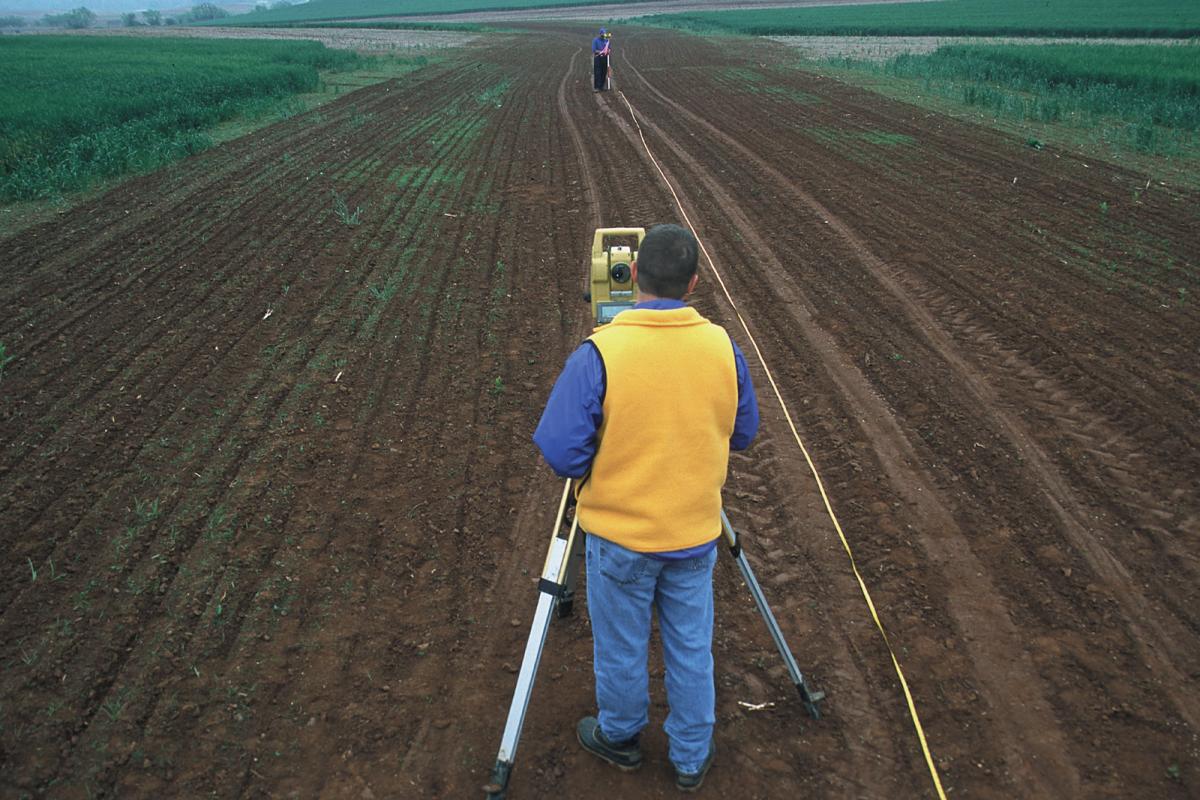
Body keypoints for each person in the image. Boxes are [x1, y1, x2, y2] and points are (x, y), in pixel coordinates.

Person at [533, 224, 760, 792]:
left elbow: (562, 452)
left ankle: (620, 735)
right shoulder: (723, 347)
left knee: (621, 643)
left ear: (631, 276)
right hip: (694, 533)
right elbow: (744, 432)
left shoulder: (600, 352)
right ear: (694, 283)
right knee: (690, 644)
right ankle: (690, 755)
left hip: (620, 538)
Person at [592, 28, 611, 92]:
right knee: (597, 72)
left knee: (604, 72)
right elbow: (594, 50)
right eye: (602, 34)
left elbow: (609, 49)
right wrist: (602, 52)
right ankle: (597, 87)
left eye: (604, 34)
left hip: (605, 58)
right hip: (598, 58)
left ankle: (602, 86)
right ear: (600, 34)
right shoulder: (595, 40)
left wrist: (608, 51)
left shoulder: (606, 41)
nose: (603, 36)